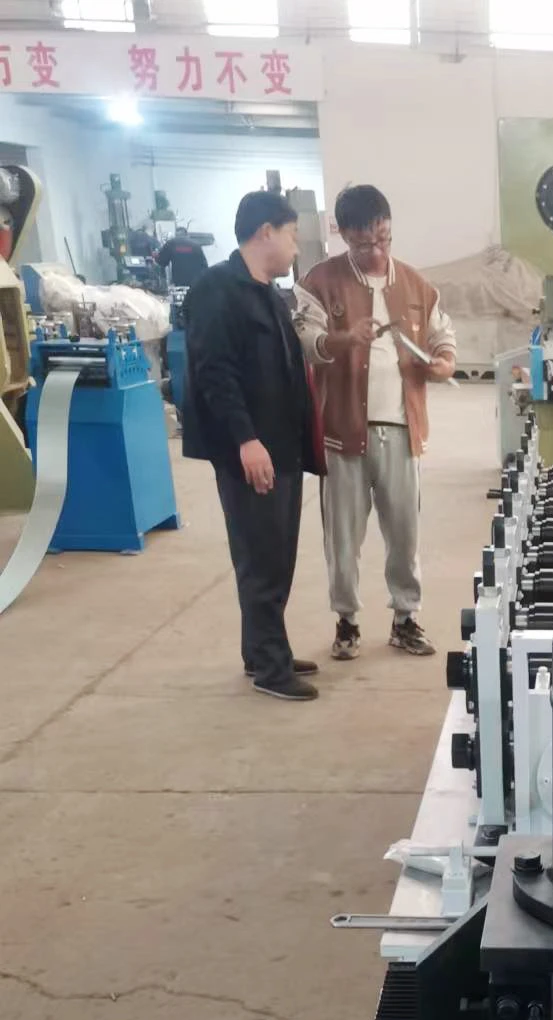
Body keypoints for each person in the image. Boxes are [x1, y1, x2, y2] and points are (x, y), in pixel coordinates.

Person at [299, 184, 456, 661]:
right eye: (363, 243)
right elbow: (306, 340)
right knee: (342, 537)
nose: (376, 251)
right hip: (342, 433)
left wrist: (444, 361)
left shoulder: (415, 285)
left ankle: (405, 618)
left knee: (404, 533)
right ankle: (346, 620)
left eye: (383, 239)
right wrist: (344, 338)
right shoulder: (319, 283)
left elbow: (442, 334)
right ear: (343, 234)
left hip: (401, 432)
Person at [183, 189, 323, 701]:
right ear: (266, 233)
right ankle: (270, 668)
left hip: (281, 449)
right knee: (261, 558)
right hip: (252, 452)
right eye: (292, 236)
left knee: (277, 556)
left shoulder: (265, 292)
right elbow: (214, 373)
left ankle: (263, 650)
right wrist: (246, 439)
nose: (295, 247)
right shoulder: (217, 290)